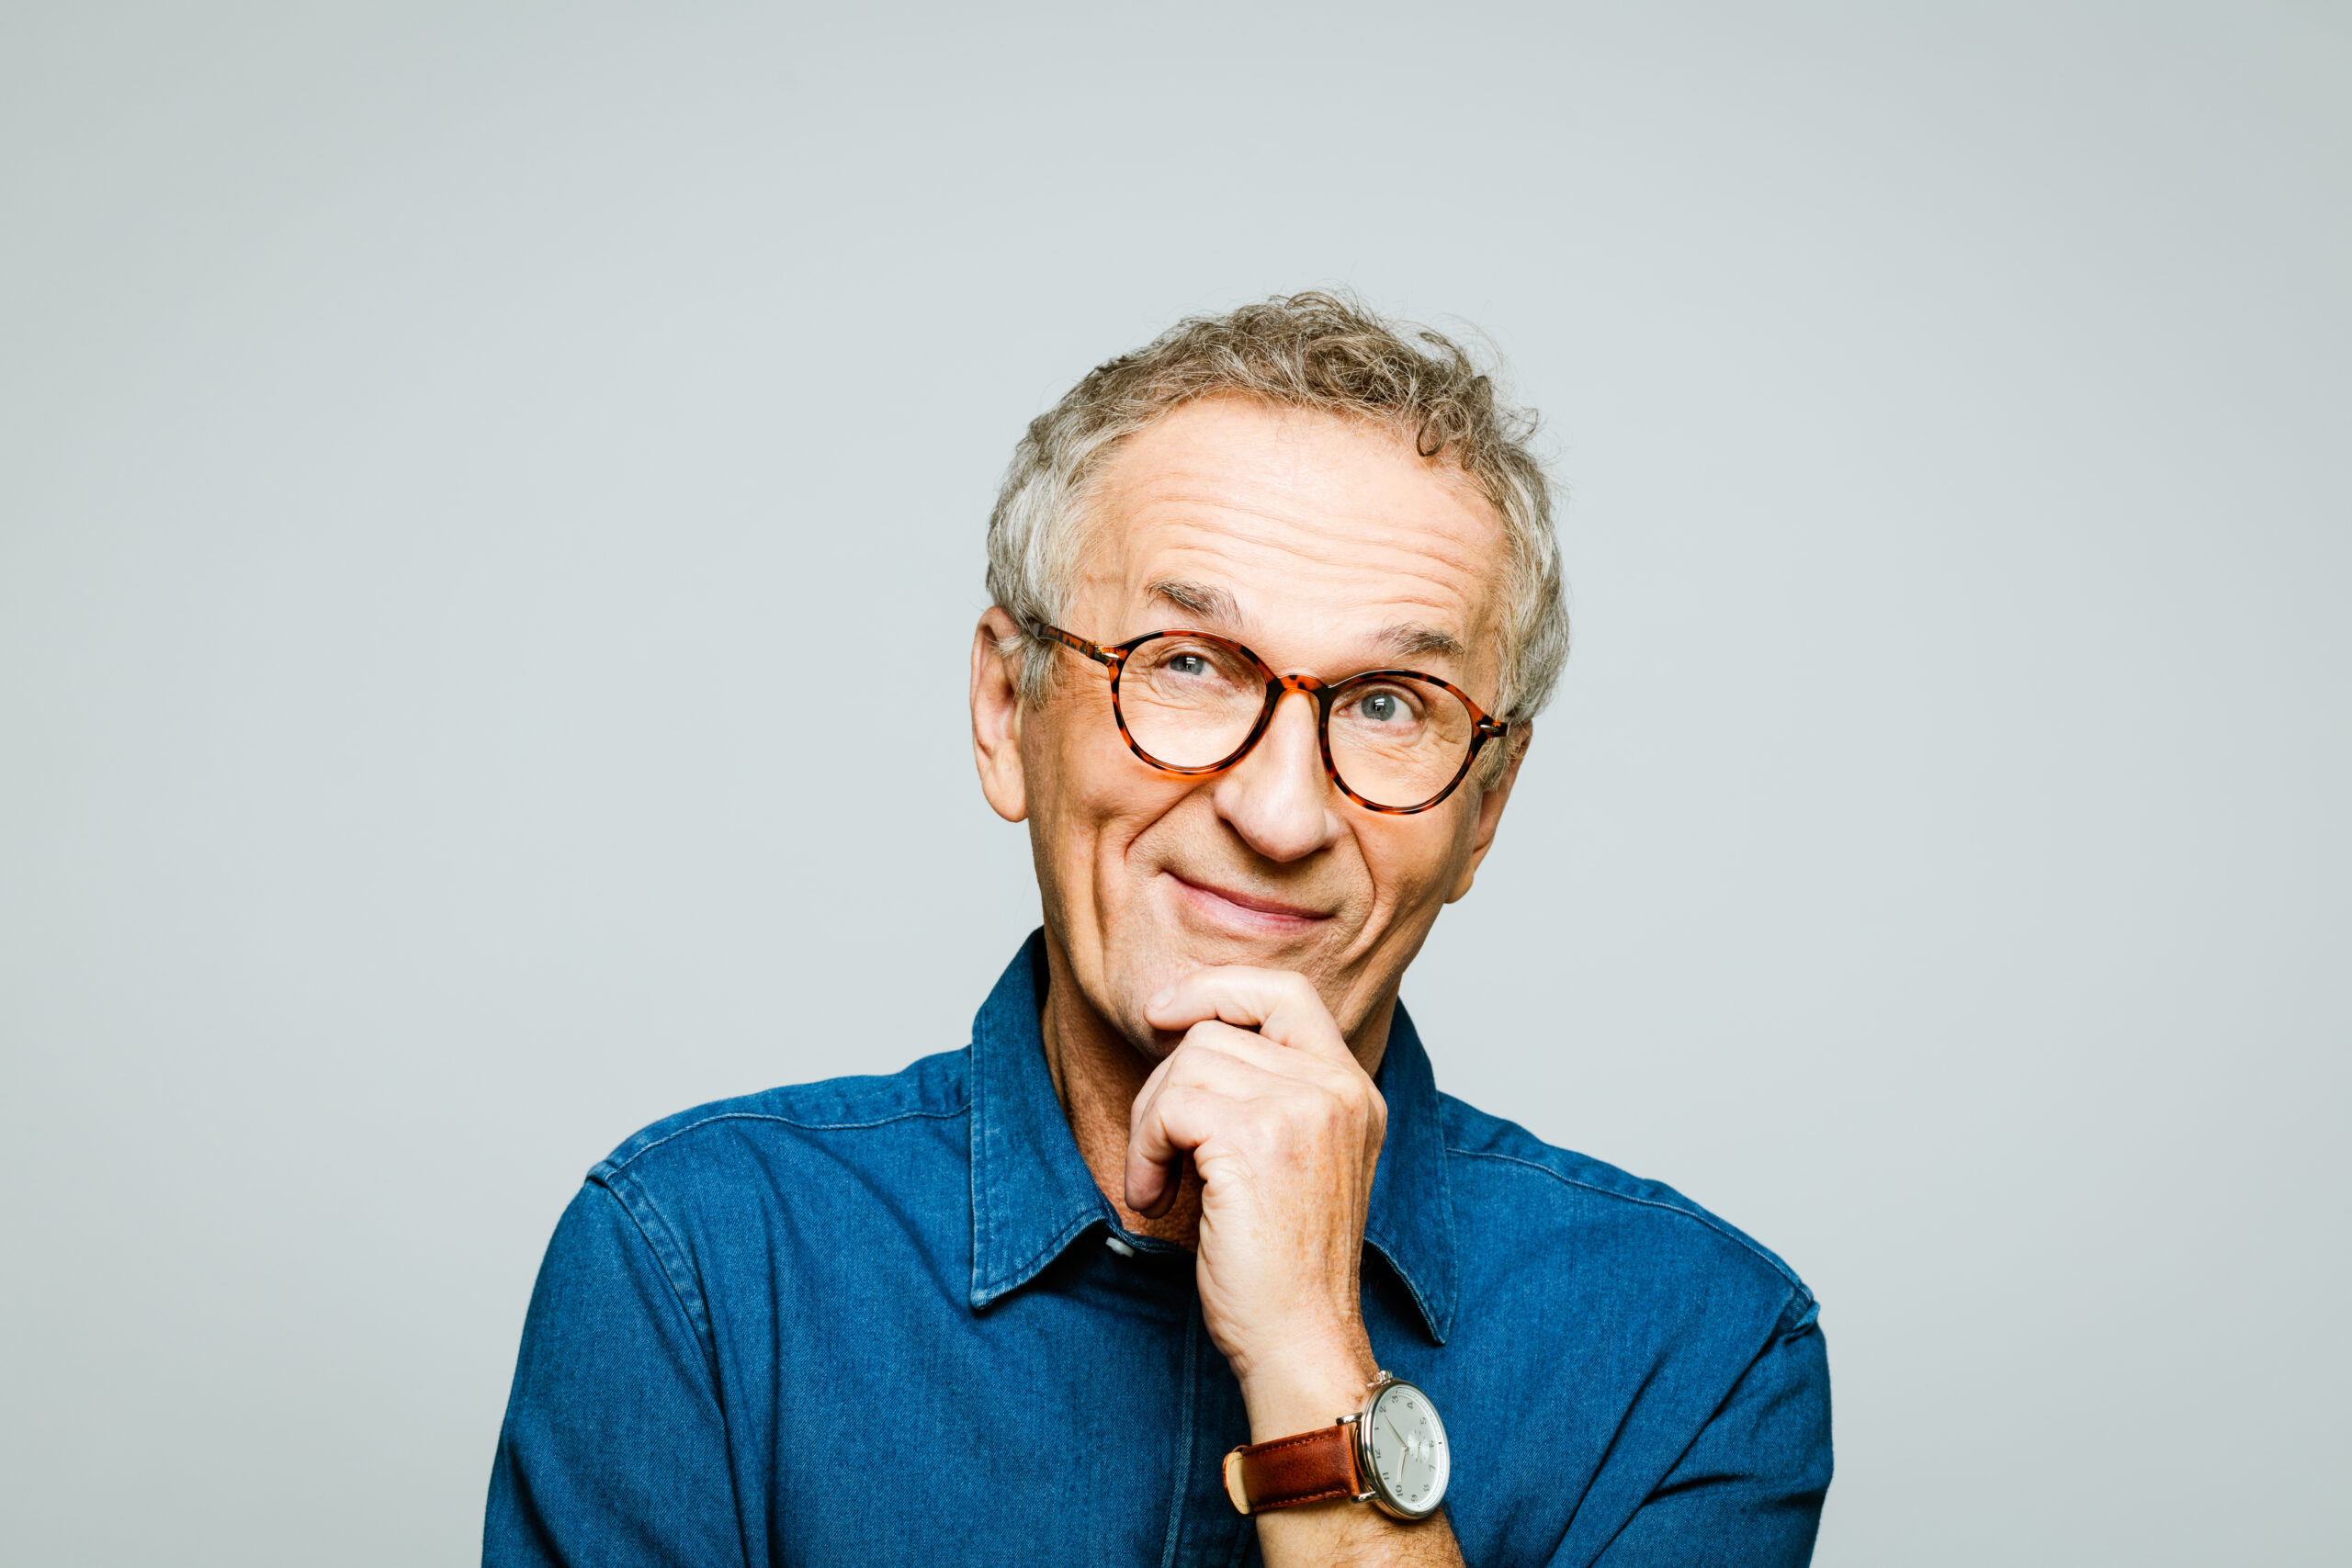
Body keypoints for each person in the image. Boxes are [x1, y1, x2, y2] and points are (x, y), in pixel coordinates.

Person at [483, 293, 1832, 1566]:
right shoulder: (698, 1267)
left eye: (1388, 704)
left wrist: (1315, 1356)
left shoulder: (1703, 1351)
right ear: (1009, 713)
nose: (1280, 810)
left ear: (1485, 809)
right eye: (1187, 665)